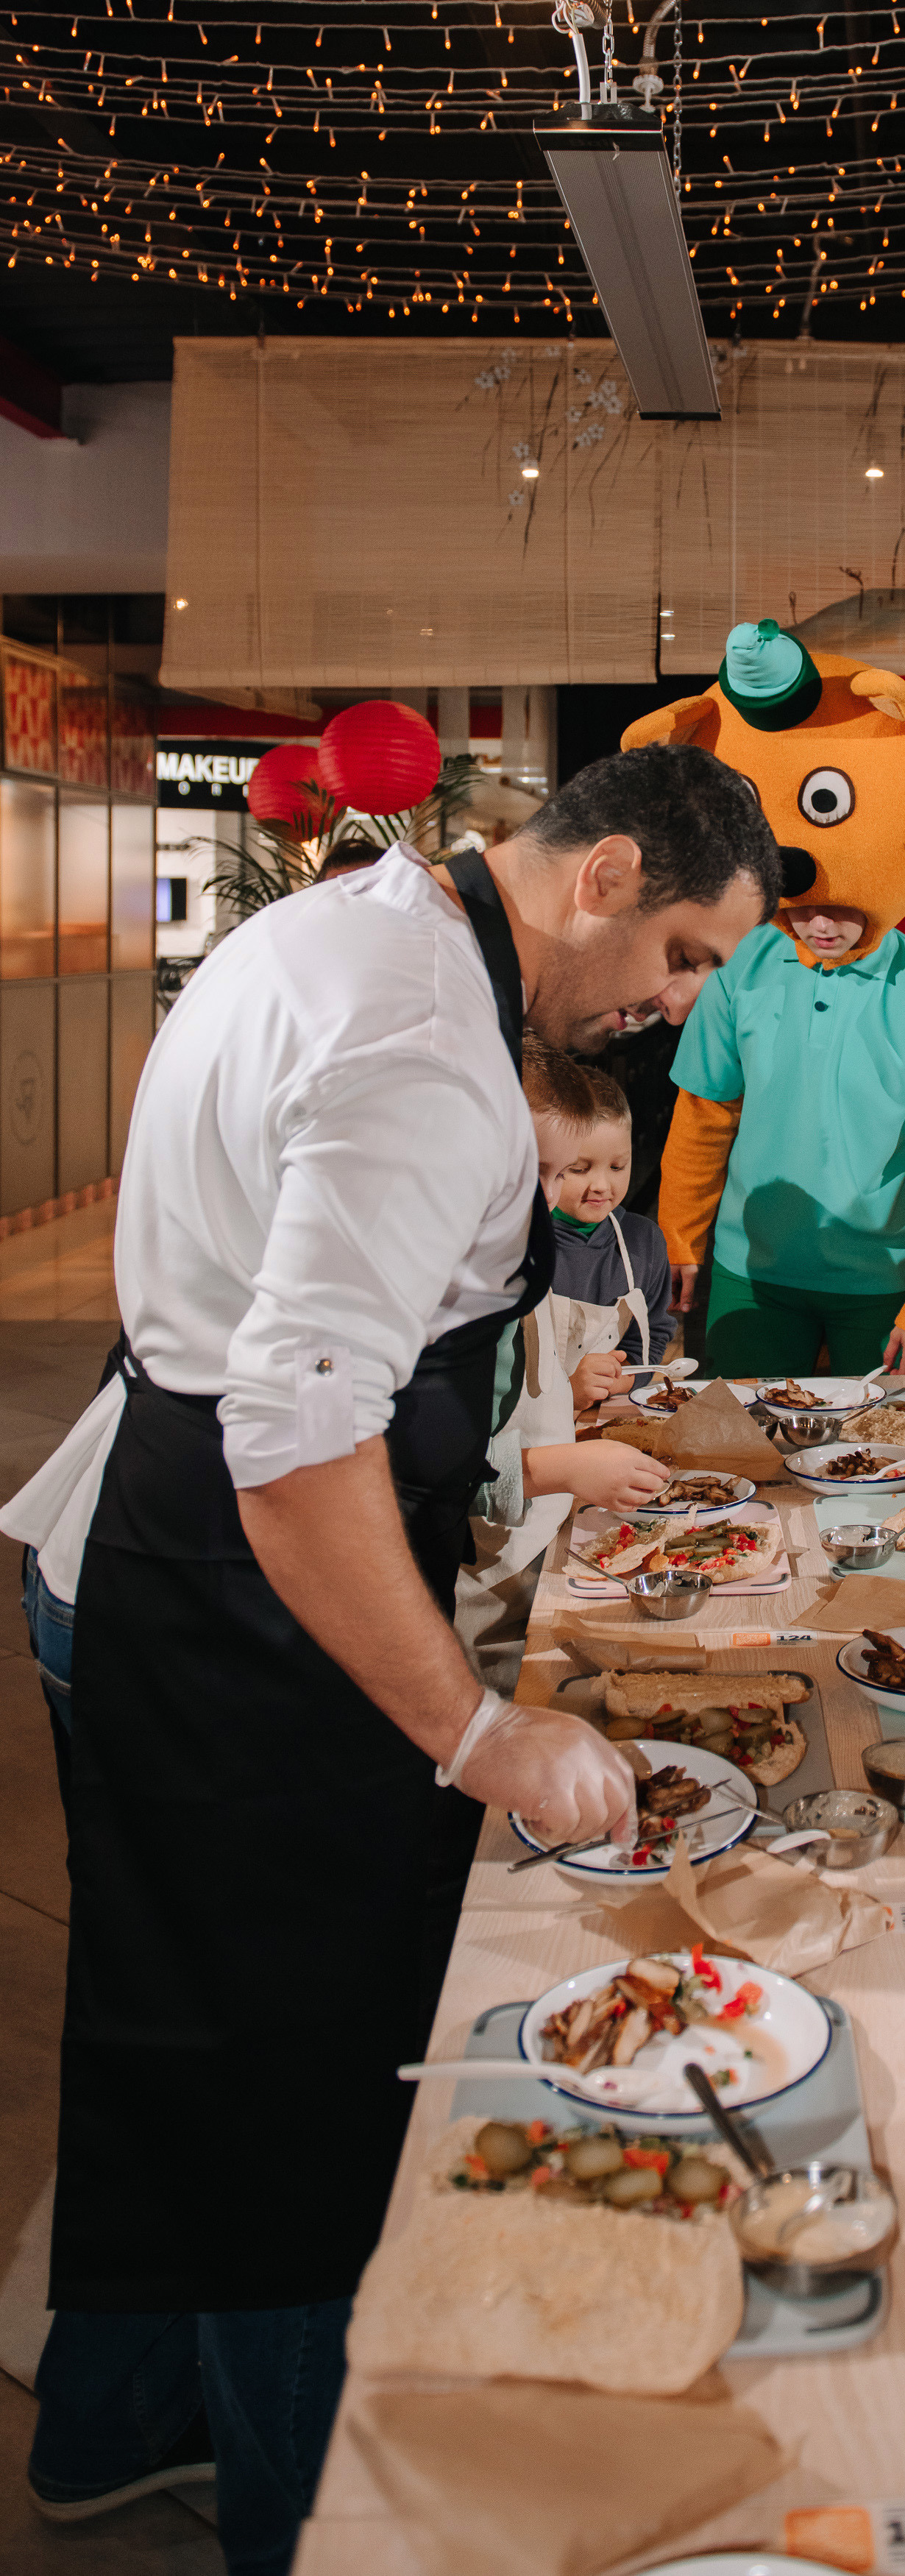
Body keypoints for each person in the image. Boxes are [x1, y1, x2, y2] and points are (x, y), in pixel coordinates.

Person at [4, 742, 779, 2568]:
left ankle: (113, 2428)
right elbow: (291, 1440)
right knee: (294, 2093)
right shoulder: (431, 1047)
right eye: (678, 957)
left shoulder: (360, 921)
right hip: (236, 1587)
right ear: (597, 879)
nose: (669, 1011)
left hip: (154, 1537)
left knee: (177, 2023)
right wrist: (477, 1732)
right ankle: (304, 2522)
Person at [631, 619, 905, 1377]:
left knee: (885, 1465)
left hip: (885, 1282)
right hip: (750, 1272)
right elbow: (703, 1118)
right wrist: (678, 1241)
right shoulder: (742, 968)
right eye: (803, 909)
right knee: (741, 1456)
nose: (820, 922)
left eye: (839, 907)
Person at [455, 1037, 672, 1696]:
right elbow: (440, 1472)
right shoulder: (465, 1282)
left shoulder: (523, 1253)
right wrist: (566, 1466)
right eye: (551, 1172)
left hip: (549, 1525)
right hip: (487, 1561)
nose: (559, 1197)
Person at [547, 1060, 674, 1370]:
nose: (603, 1186)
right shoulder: (519, 1245)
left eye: (618, 1166)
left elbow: (651, 1334)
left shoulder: (644, 1243)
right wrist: (568, 1391)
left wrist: (627, 1376)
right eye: (579, 1169)